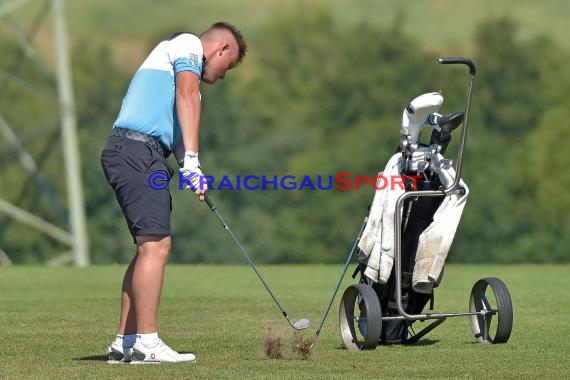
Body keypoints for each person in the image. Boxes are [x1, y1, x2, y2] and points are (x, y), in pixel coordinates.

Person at [100, 22, 247, 364]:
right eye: (229, 65)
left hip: (139, 153)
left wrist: (192, 169)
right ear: (221, 49)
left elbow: (181, 132)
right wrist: (192, 162)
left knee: (146, 249)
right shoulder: (187, 45)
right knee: (156, 246)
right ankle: (147, 345)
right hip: (137, 152)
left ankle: (125, 342)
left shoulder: (191, 85)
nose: (225, 75)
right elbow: (184, 98)